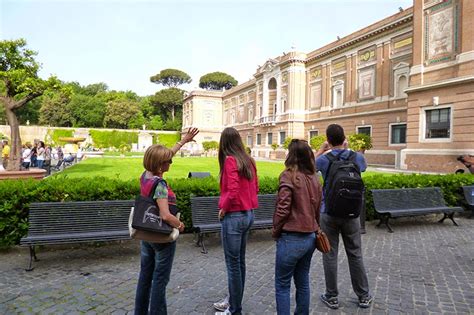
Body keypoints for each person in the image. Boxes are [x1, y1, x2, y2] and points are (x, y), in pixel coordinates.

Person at [134, 127, 199, 315]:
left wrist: (183, 141)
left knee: (145, 277)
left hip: (146, 233)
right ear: (161, 165)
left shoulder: (145, 176)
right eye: (168, 161)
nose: (171, 161)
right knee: (159, 281)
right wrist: (180, 225)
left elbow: (164, 154)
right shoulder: (160, 184)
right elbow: (165, 215)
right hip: (161, 237)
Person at [315, 124, 373, 309]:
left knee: (330, 254)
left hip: (329, 212)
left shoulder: (324, 159)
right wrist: (348, 149)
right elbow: (363, 166)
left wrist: (323, 149)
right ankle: (363, 295)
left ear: (329, 139)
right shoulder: (356, 157)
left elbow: (308, 167)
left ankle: (332, 296)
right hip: (352, 213)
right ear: (344, 138)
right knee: (355, 254)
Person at [273, 139, 322, 315]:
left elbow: (283, 208)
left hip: (291, 236)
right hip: (310, 236)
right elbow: (317, 209)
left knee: (282, 285)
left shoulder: (288, 176)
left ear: (291, 155)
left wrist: (276, 229)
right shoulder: (314, 178)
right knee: (303, 282)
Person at [214, 127, 258, 315]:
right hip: (248, 214)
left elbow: (232, 190)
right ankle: (233, 301)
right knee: (239, 262)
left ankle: (234, 309)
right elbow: (255, 187)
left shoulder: (231, 161)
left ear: (224, 143)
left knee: (233, 264)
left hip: (234, 216)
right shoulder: (249, 160)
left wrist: (223, 208)